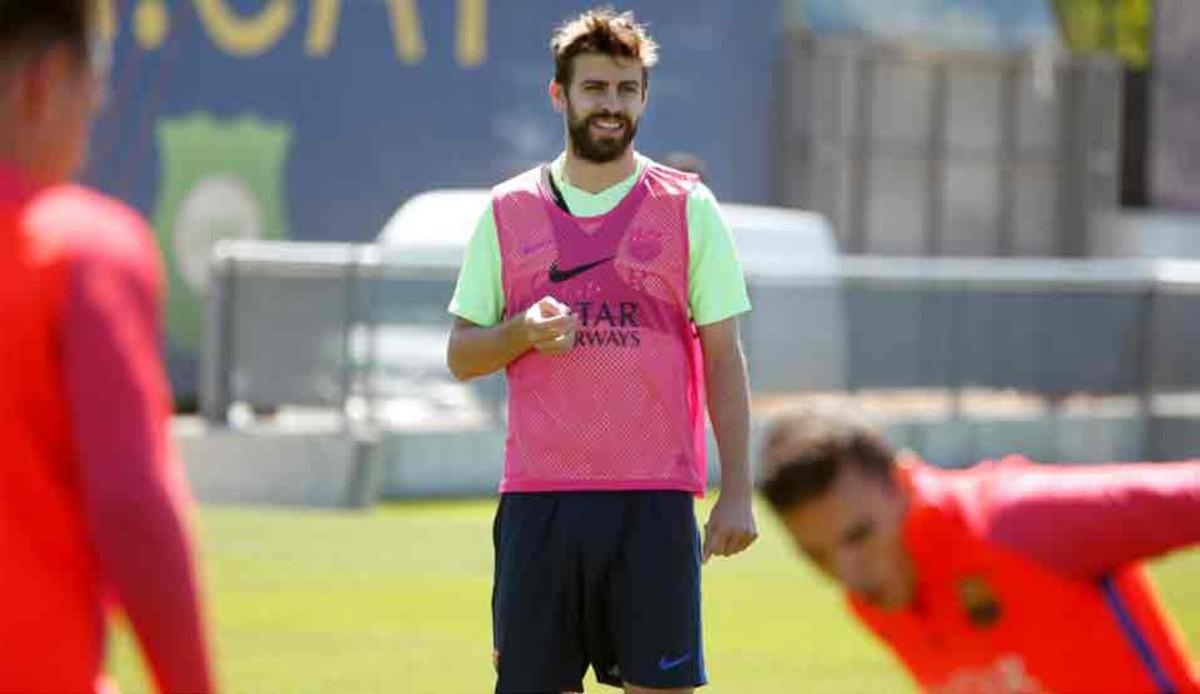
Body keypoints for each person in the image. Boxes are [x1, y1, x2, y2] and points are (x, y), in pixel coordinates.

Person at [446, 7, 757, 693]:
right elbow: (462, 354)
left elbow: (724, 357)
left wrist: (736, 490)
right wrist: (522, 332)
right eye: (594, 88)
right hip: (539, 506)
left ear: (643, 96)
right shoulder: (507, 209)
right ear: (560, 95)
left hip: (654, 503)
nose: (610, 105)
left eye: (625, 89)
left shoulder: (687, 207)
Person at [0, 1, 216, 692]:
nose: (88, 136)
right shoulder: (78, 251)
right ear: (45, 82)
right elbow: (130, 504)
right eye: (91, 104)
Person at [758, 408, 1200, 694]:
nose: (847, 572)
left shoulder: (1017, 519)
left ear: (901, 485)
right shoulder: (875, 599)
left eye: (859, 535)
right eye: (815, 555)